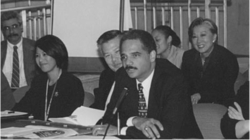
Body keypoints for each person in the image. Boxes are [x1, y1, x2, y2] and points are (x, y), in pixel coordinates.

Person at [92, 30, 202, 139]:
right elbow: (109, 118)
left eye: (135, 55)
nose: (127, 63)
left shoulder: (173, 79)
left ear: (152, 56)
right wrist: (134, 120)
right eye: (124, 57)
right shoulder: (123, 75)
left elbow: (167, 131)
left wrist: (122, 130)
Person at [13, 35, 85, 121]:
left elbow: (72, 117)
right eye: (37, 55)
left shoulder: (71, 83)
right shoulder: (38, 82)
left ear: (57, 53)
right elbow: (21, 109)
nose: (40, 60)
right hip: (37, 131)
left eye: (44, 54)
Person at [181, 17, 239, 105]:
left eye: (203, 35)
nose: (199, 41)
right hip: (193, 104)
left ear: (214, 37)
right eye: (194, 37)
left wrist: (201, 95)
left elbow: (224, 89)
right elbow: (184, 84)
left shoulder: (227, 58)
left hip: (220, 105)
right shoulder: (188, 56)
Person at [1, 11, 38, 101]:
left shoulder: (35, 48)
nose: (11, 31)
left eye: (14, 26)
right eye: (6, 28)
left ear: (21, 27)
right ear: (3, 32)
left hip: (28, 95)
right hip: (3, 97)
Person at [90, 30, 123, 110]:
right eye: (107, 55)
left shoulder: (137, 75)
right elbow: (99, 105)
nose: (113, 59)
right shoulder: (106, 76)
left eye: (117, 52)